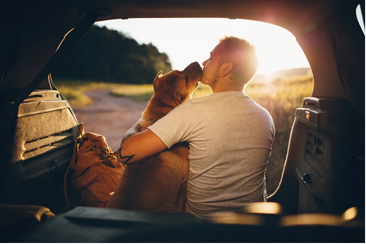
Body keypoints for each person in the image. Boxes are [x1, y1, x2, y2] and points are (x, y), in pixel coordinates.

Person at [117, 36, 275, 219]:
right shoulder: (265, 117)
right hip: (252, 226)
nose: (204, 62)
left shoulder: (194, 110)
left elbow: (125, 153)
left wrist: (141, 124)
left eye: (211, 58)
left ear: (225, 68)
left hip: (201, 228)